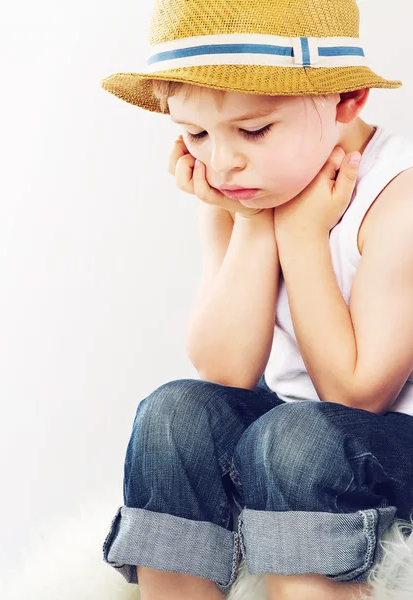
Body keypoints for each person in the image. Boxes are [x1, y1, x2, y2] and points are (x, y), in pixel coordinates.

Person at [99, 1, 413, 599]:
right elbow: (225, 372)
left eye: (253, 129)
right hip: (296, 440)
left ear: (346, 100)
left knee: (292, 438)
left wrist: (299, 236)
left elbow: (356, 393)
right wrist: (249, 223)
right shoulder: (242, 188)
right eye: (195, 134)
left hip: (394, 441)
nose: (221, 161)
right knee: (173, 414)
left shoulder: (397, 198)